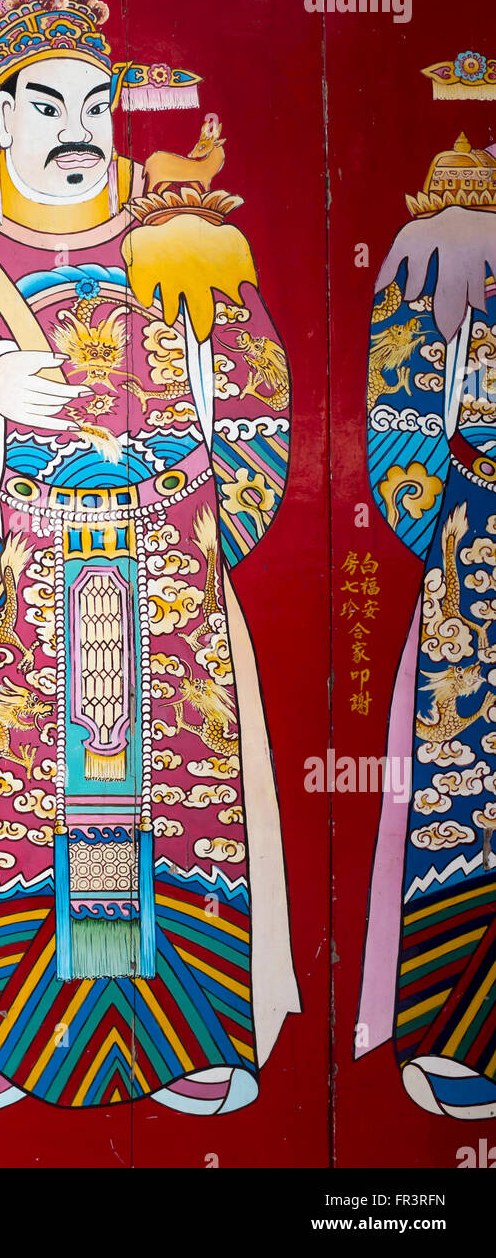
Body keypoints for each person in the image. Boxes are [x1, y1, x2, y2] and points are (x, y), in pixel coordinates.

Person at [0, 0, 299, 1116]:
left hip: (156, 569)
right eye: (45, 105)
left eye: (93, 104)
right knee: (1, 807)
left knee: (174, 802)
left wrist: (196, 356)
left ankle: (184, 1033)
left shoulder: (171, 214)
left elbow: (247, 385)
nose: (75, 128)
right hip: (6, 569)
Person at [359, 115, 496, 1119]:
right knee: (460, 806)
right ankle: (461, 1028)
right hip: (474, 563)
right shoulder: (436, 273)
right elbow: (396, 430)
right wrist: (453, 519)